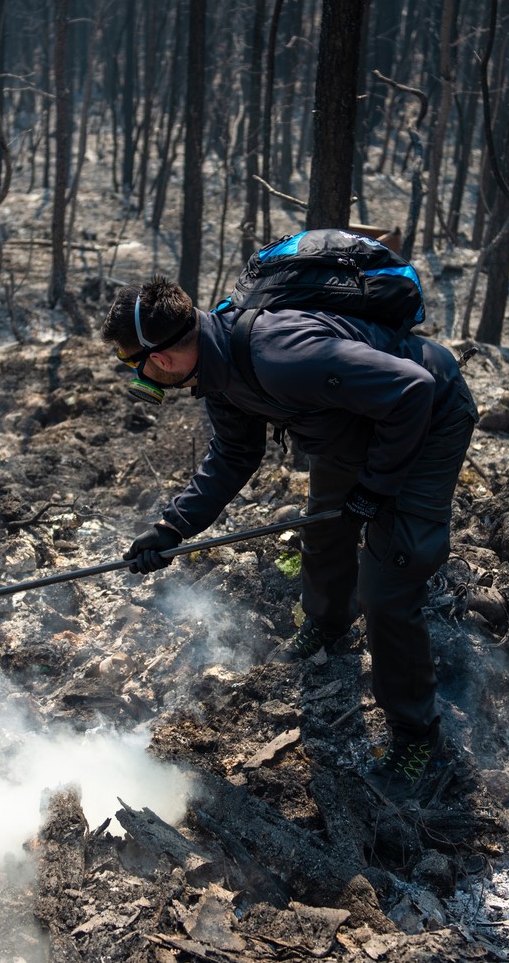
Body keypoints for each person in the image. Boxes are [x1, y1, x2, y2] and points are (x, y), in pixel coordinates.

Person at [104, 275, 478, 792]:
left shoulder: (281, 357)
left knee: (388, 587)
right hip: (356, 425)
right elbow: (235, 455)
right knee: (326, 525)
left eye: (135, 368)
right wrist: (172, 528)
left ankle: (418, 739)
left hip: (428, 417)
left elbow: (414, 388)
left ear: (159, 359)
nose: (141, 378)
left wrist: (378, 485)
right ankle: (328, 623)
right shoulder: (217, 368)